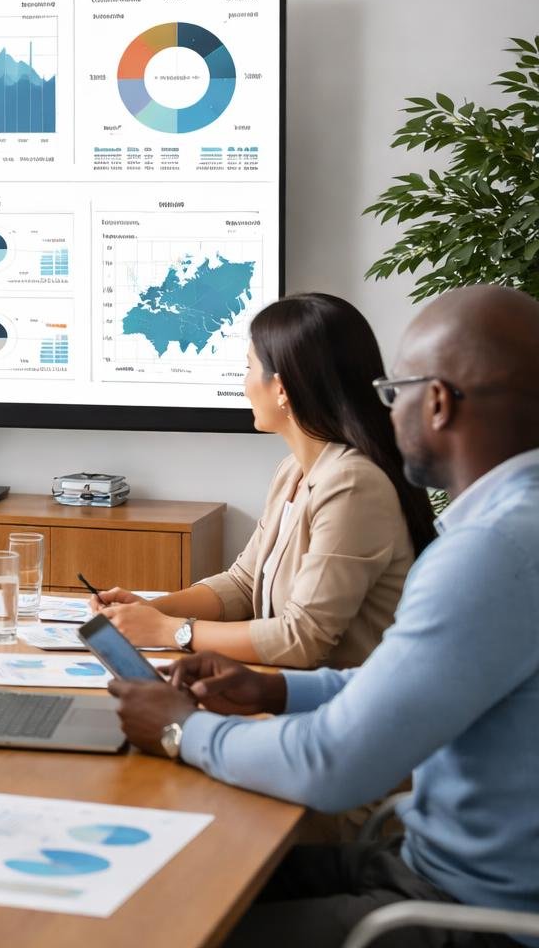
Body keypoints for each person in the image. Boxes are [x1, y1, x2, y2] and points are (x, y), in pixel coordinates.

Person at [108, 285, 539, 947]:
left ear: (438, 402)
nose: (386, 411)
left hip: (469, 911)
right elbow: (401, 684)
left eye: (395, 392)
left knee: (160, 926)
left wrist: (181, 730)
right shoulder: (508, 529)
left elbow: (334, 764)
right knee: (163, 880)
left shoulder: (493, 550)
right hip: (429, 864)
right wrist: (274, 690)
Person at [91, 293, 436, 668]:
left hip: (337, 696)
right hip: (285, 685)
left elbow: (302, 638)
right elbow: (243, 583)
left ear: (281, 388)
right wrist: (150, 611)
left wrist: (168, 631)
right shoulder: (294, 470)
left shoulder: (352, 484)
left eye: (248, 368)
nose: (244, 385)